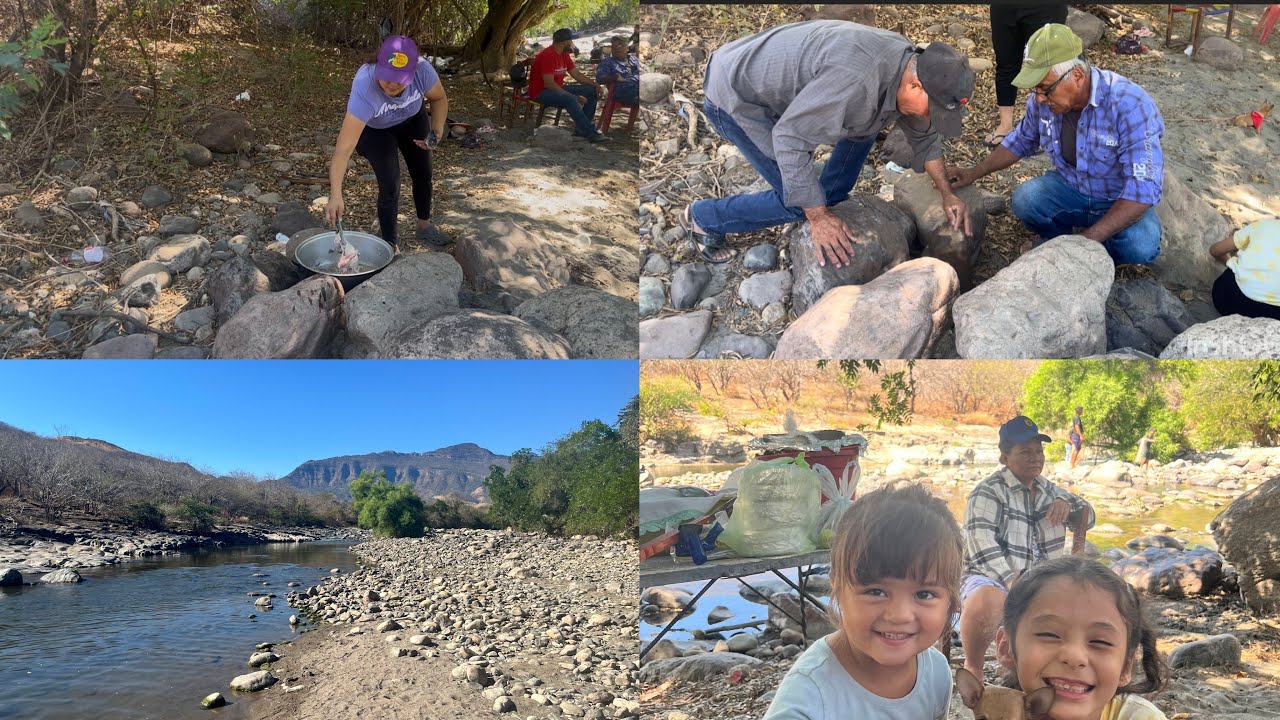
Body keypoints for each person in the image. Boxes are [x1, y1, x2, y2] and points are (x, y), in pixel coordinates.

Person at [687, 21, 975, 265]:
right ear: (915, 85)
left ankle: (824, 195)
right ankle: (704, 218)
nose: (929, 116)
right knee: (799, 202)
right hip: (738, 97)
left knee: (839, 174)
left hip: (791, 91)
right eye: (932, 109)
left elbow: (924, 135)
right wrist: (818, 217)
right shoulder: (854, 82)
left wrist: (947, 193)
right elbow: (789, 138)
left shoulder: (911, 68)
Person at [948, 24, 1165, 265]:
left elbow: (1142, 191)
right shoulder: (1043, 102)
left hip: (1117, 197)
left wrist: (1088, 240)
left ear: (1078, 76)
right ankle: (1062, 244)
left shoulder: (1130, 105)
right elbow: (1020, 141)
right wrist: (974, 172)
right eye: (1035, 89)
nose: (1039, 98)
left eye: (1045, 88)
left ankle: (1093, 249)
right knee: (1026, 200)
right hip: (1072, 188)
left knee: (1141, 247)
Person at [762, 484, 962, 720]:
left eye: (924, 594)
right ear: (836, 585)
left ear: (951, 600)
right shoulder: (808, 700)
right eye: (876, 591)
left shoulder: (937, 674)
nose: (899, 615)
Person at [959, 415, 1095, 682]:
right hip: (993, 576)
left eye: (1038, 451)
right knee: (988, 600)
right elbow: (981, 546)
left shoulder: (1049, 489)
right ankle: (973, 666)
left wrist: (1070, 505)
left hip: (1043, 577)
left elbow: (1088, 518)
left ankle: (1042, 667)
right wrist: (1015, 581)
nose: (1035, 458)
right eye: (1025, 452)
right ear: (1004, 457)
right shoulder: (988, 492)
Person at [992, 556, 1170, 720]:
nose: (1074, 657)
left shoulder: (1139, 717)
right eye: (1049, 634)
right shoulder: (993, 710)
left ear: (1126, 667)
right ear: (1006, 648)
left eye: (1100, 642)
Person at [327, 35, 450, 249]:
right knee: (390, 183)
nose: (392, 84)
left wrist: (436, 131)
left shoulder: (423, 70)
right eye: (387, 76)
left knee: (423, 173)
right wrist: (335, 194)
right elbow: (342, 150)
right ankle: (389, 245)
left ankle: (424, 226)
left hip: (412, 119)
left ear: (412, 73)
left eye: (400, 79)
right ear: (378, 65)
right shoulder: (365, 87)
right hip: (376, 131)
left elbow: (439, 98)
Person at [986, 4, 1068, 147]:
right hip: (1005, 8)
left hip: (1045, 8)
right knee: (1006, 63)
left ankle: (1050, 127)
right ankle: (1005, 125)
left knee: (1049, 65)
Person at [530, 28, 607, 143]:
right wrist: (574, 97)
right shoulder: (548, 55)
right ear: (563, 43)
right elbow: (549, 84)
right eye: (571, 41)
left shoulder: (564, 54)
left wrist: (595, 84)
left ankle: (581, 130)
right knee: (570, 99)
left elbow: (576, 74)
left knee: (591, 91)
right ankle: (590, 133)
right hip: (541, 92)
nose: (572, 44)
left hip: (557, 88)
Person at [1209, 218, 1280, 320]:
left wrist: (1230, 263)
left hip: (1225, 298)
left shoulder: (1264, 225)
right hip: (1272, 318)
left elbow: (1215, 250)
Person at [596, 36, 639, 107]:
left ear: (627, 48)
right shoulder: (608, 62)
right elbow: (599, 78)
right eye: (614, 45)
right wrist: (614, 78)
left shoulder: (634, 59)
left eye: (620, 44)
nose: (617, 47)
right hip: (623, 92)